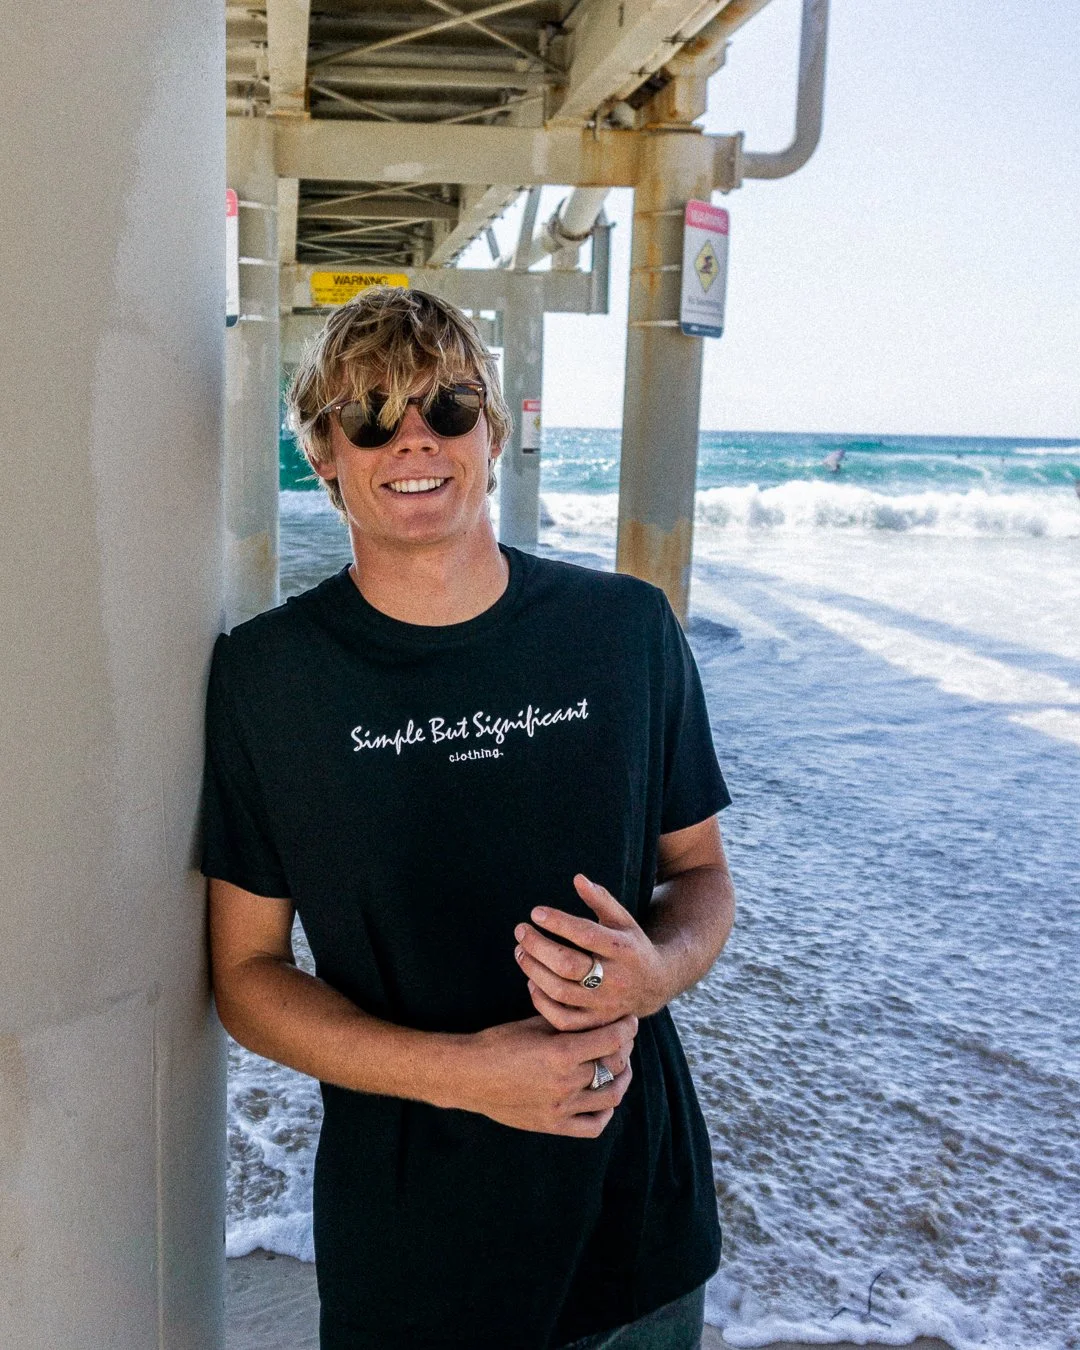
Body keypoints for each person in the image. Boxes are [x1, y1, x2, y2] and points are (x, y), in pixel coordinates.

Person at [203, 286, 736, 1350]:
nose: (414, 437)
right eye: (369, 413)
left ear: (492, 435)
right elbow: (246, 978)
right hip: (411, 1244)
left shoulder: (626, 630)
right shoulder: (268, 679)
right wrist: (471, 1078)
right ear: (322, 454)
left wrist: (659, 968)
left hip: (634, 1218)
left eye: (449, 407)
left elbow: (701, 877)